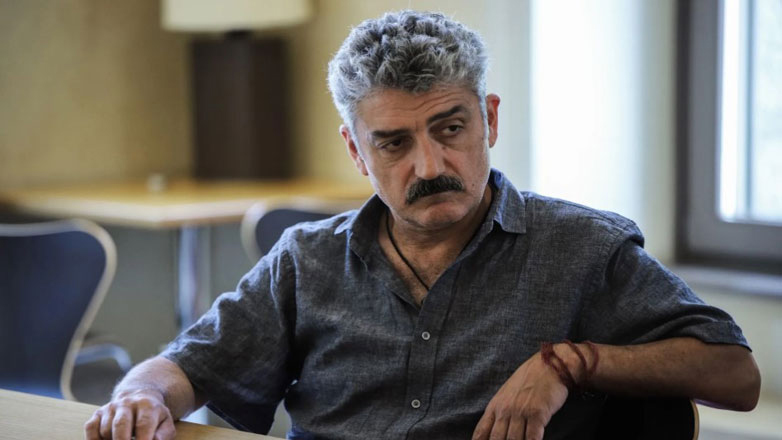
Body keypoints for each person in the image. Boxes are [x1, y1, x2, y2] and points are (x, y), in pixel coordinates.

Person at [84, 10, 760, 440]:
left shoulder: (582, 248)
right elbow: (186, 366)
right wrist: (139, 396)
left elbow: (735, 374)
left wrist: (569, 363)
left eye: (451, 128)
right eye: (394, 143)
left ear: (489, 119)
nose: (430, 165)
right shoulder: (305, 259)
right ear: (357, 152)